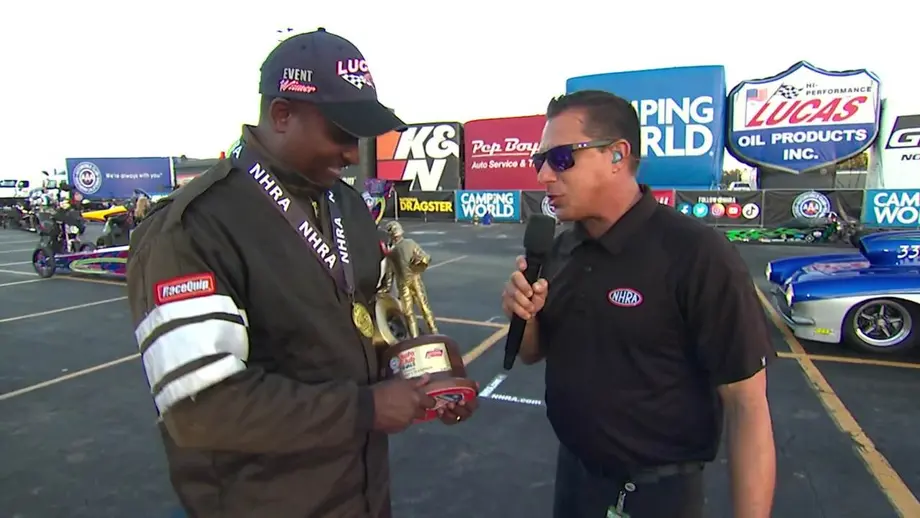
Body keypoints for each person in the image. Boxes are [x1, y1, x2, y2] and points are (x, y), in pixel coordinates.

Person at [126, 28, 474, 518]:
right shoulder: (194, 228)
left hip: (363, 497)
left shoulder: (347, 206)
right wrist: (367, 408)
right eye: (342, 132)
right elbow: (202, 408)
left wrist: (424, 372)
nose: (353, 153)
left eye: (361, 135)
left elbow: (364, 332)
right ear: (281, 114)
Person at [501, 90, 776, 518]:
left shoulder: (696, 253)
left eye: (560, 158)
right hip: (575, 479)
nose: (543, 176)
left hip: (657, 496)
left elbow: (747, 404)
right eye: (540, 161)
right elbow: (533, 353)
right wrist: (525, 316)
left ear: (617, 155)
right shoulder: (560, 250)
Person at [378, 221, 438, 336]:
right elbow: (426, 257)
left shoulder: (392, 252)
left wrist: (385, 288)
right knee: (424, 307)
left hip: (404, 283)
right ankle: (434, 331)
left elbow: (389, 275)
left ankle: (415, 336)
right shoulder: (409, 244)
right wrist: (419, 263)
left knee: (409, 312)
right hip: (414, 279)